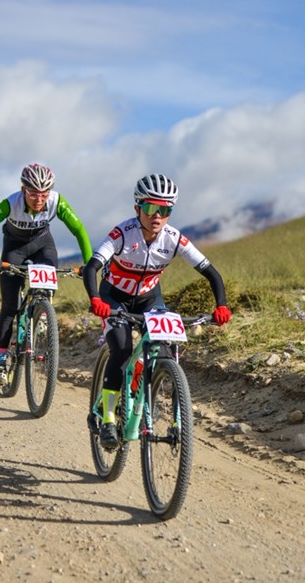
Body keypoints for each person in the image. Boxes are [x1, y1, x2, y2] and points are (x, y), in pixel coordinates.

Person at [82, 174, 232, 449]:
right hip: (114, 297)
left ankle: (148, 400)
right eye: (151, 208)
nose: (157, 216)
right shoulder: (122, 234)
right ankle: (107, 417)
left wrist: (221, 305)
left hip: (150, 299)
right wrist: (95, 299)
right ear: (138, 207)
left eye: (165, 210)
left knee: (163, 350)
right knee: (122, 349)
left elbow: (210, 272)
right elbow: (92, 267)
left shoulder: (174, 239)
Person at [0, 163, 93, 384]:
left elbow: (79, 230)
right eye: (34, 194)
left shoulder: (57, 201)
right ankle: (0, 361)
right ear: (23, 190)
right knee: (9, 306)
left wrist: (89, 263)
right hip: (14, 249)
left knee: (47, 277)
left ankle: (43, 313)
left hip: (42, 246)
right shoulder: (11, 203)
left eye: (44, 194)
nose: (39, 200)